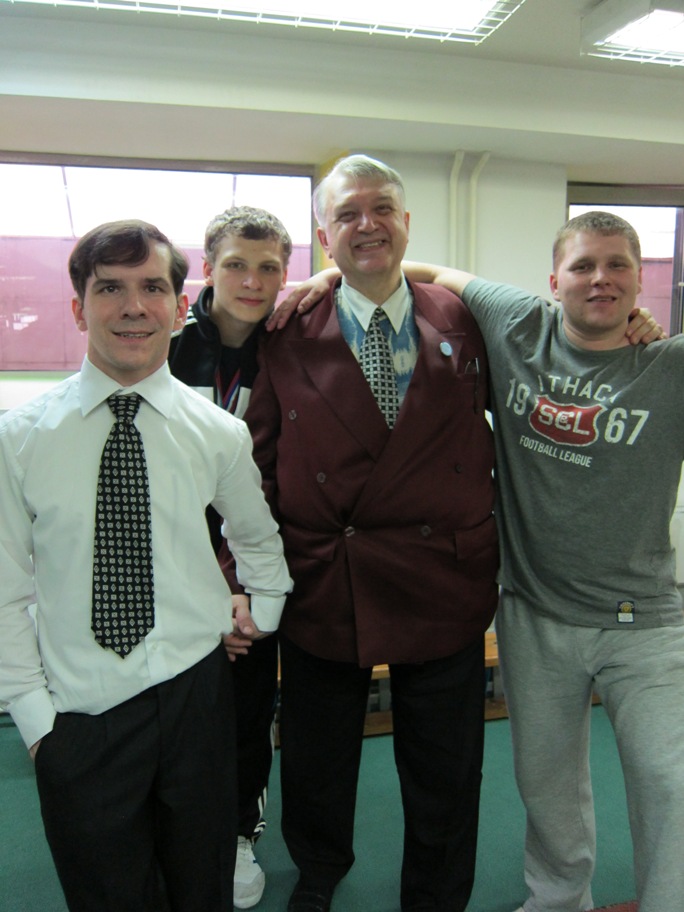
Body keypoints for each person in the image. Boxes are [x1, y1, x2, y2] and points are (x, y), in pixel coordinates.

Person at [316, 210, 681, 912]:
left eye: (617, 266)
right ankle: (558, 901)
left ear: (641, 281)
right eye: (583, 265)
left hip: (644, 623)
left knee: (671, 783)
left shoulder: (668, 366)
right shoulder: (519, 324)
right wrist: (325, 279)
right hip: (534, 613)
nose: (600, 279)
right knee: (546, 786)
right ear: (554, 281)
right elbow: (426, 270)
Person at [0, 219, 292, 912]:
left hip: (197, 700)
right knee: (107, 895)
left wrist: (262, 610)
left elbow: (259, 542)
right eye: (110, 288)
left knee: (201, 889)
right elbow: (5, 591)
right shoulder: (19, 439)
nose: (134, 306)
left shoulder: (217, 431)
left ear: (178, 304)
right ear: (79, 309)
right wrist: (37, 723)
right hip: (81, 711)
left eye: (152, 287)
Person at [243, 154, 500, 912]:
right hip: (327, 575)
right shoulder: (285, 328)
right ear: (325, 237)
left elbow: (557, 346)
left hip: (444, 574)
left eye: (381, 208)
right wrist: (249, 572)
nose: (368, 224)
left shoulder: (463, 317)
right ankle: (318, 872)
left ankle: (438, 895)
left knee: (447, 764)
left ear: (406, 222)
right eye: (347, 214)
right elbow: (256, 463)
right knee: (317, 757)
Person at [168, 205, 291, 909]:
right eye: (236, 264)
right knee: (174, 711)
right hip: (174, 567)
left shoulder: (291, 349)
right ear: (208, 269)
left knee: (246, 708)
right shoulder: (166, 349)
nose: (252, 281)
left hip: (255, 568)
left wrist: (241, 583)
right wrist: (204, 581)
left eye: (268, 267)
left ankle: (241, 832)